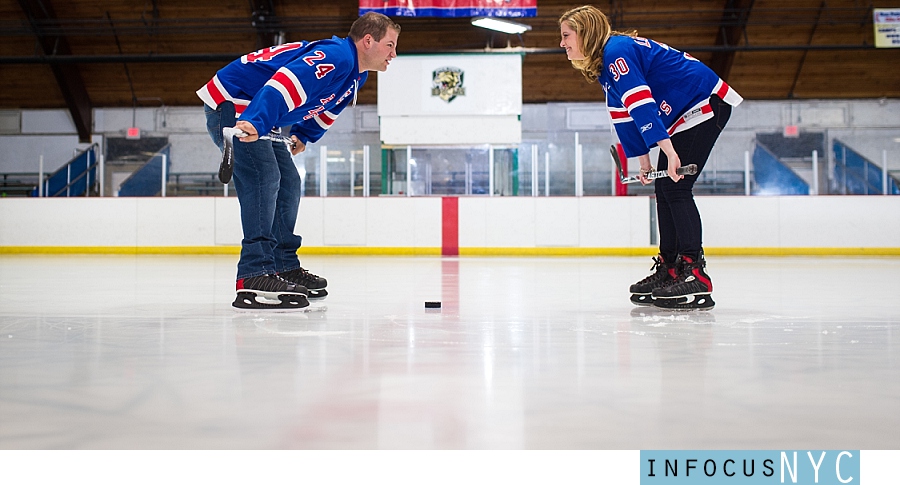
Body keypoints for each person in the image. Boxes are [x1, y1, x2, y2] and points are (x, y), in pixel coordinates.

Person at [198, 12, 401, 311]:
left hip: (263, 113)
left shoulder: (357, 74)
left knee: (289, 182)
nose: (394, 53)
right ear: (368, 41)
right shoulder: (335, 57)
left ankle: (282, 265)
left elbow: (326, 110)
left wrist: (304, 135)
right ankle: (253, 273)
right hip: (235, 105)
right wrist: (254, 121)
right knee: (264, 177)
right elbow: (285, 83)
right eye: (390, 45)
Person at [559, 5, 742, 310]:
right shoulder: (607, 64)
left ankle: (695, 273)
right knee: (665, 188)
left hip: (704, 103)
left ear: (585, 31)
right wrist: (643, 161)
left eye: (567, 35)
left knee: (676, 187)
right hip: (687, 111)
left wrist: (667, 152)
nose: (563, 43)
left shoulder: (617, 52)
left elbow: (641, 102)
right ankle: (671, 268)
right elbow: (624, 115)